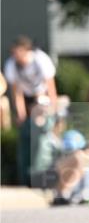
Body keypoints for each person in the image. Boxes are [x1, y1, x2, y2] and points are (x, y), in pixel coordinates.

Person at [3, 36, 58, 185]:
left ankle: (41, 176)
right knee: (25, 139)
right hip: (27, 100)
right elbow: (17, 93)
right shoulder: (12, 65)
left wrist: (53, 109)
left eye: (19, 52)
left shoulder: (40, 60)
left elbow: (50, 86)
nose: (16, 56)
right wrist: (21, 115)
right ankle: (25, 178)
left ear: (26, 50)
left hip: (43, 98)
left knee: (41, 139)